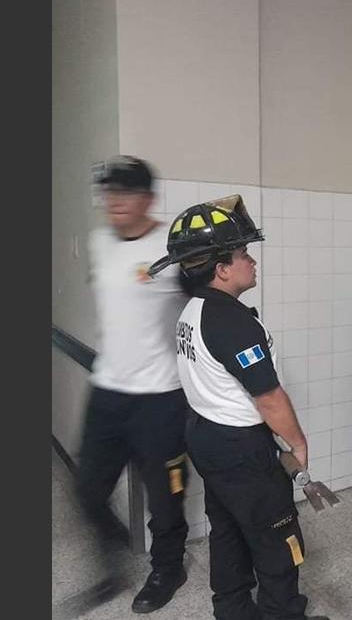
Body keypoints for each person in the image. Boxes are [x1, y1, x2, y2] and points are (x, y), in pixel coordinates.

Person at [148, 196, 328, 620]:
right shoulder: (232, 321)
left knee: (227, 530)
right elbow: (268, 396)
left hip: (207, 437)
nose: (252, 261)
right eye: (244, 253)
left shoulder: (194, 310)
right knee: (278, 537)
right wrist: (298, 443)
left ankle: (232, 611)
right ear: (222, 269)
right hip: (241, 448)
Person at [74, 155, 190, 613]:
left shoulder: (172, 248)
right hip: (107, 391)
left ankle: (168, 569)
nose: (115, 201)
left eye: (126, 192)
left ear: (148, 198)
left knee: (166, 497)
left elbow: (203, 306)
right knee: (87, 490)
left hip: (161, 398)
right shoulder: (99, 241)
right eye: (109, 192)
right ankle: (112, 561)